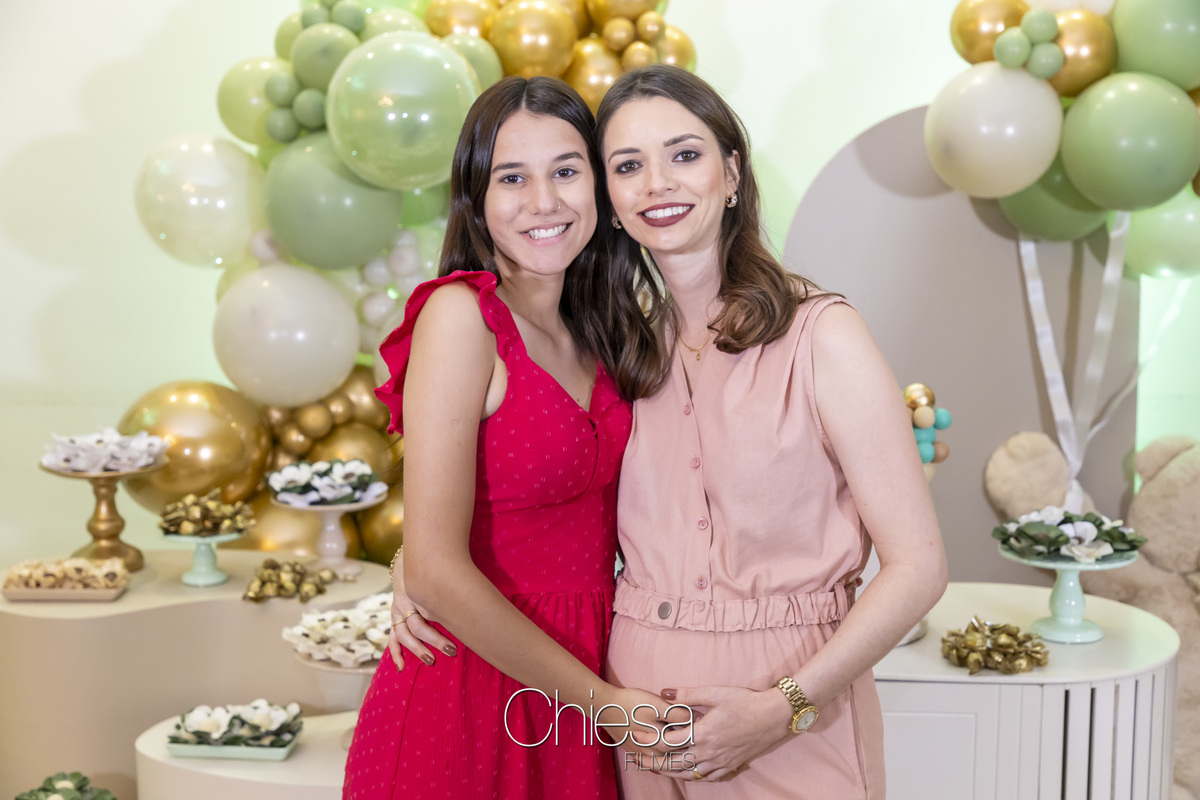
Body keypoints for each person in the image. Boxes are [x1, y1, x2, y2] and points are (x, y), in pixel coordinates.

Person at [390, 66, 948, 799]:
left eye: (684, 155)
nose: (658, 184)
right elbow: (548, 489)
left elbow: (919, 567)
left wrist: (785, 706)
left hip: (783, 707)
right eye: (628, 166)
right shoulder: (619, 351)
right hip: (633, 721)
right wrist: (419, 557)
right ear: (611, 200)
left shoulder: (821, 334)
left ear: (732, 174)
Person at [342, 76, 671, 800]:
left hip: (578, 685)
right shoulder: (463, 318)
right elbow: (436, 570)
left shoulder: (605, 329)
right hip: (468, 693)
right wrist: (606, 706)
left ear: (600, 185)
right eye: (512, 178)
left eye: (566, 171)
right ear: (476, 198)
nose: (543, 202)